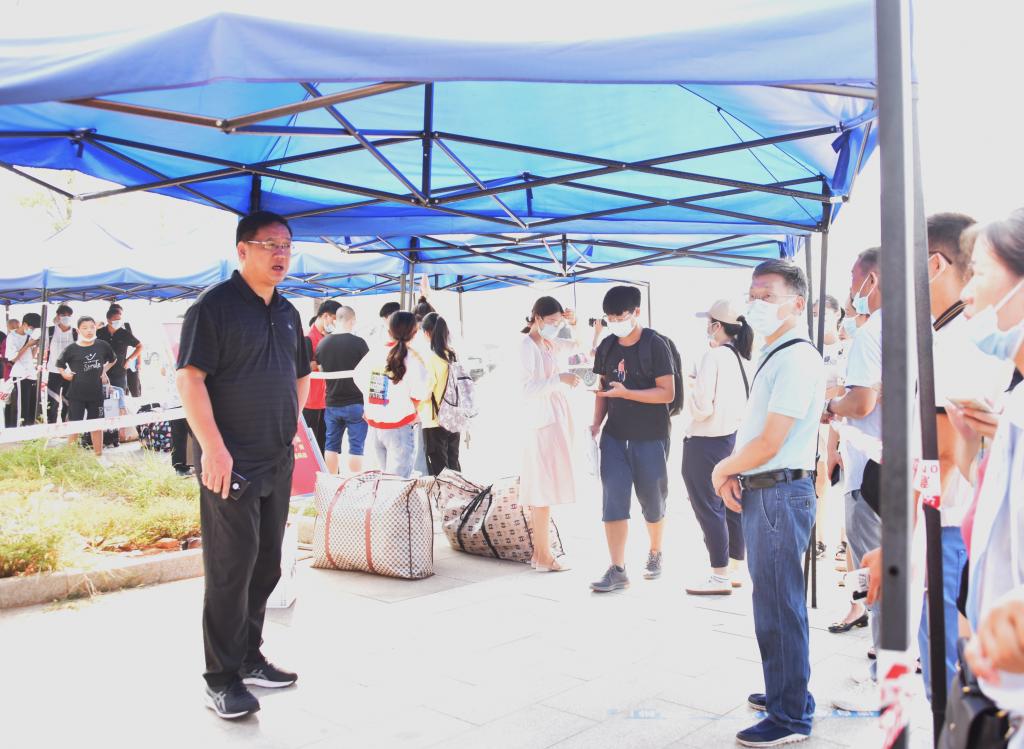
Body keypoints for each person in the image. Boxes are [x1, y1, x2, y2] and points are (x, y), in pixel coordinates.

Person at [176, 211, 311, 720]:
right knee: (230, 570)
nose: (281, 254)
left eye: (287, 245)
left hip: (276, 457)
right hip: (228, 462)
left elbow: (301, 374)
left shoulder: (289, 311)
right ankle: (221, 678)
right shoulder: (213, 307)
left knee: (266, 564)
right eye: (270, 244)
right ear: (242, 251)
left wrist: (289, 422)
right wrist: (213, 448)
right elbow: (189, 379)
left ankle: (250, 657)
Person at [710, 259, 825, 746]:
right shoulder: (777, 352)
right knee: (776, 602)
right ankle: (787, 692)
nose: (756, 304)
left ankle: (789, 716)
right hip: (769, 489)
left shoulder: (796, 357)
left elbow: (772, 440)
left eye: (767, 295)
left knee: (779, 606)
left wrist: (723, 468)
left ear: (796, 303)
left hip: (779, 492)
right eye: (752, 295)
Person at [919, 212, 1014, 699]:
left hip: (947, 527)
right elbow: (961, 453)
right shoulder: (953, 338)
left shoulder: (957, 342)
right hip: (961, 527)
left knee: (951, 680)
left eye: (981, 273)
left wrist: (912, 535)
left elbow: (936, 455)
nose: (969, 291)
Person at [822, 248, 884, 713]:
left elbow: (861, 403)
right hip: (898, 468)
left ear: (872, 281)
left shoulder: (872, 333)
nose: (850, 290)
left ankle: (883, 676)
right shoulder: (917, 326)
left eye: (853, 280)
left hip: (871, 469)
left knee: (877, 573)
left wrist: (832, 405)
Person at [589, 285, 675, 593]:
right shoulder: (607, 345)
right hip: (614, 437)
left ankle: (655, 551)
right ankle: (617, 568)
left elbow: (667, 393)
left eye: (620, 316)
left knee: (653, 500)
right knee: (613, 501)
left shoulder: (655, 344)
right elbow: (602, 388)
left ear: (636, 312)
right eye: (609, 317)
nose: (614, 322)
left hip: (650, 436)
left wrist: (628, 394)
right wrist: (596, 423)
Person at [682, 299, 752, 595]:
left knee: (708, 507)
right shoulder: (744, 358)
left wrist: (690, 387)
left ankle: (719, 575)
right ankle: (734, 568)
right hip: (733, 441)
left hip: (705, 442)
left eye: (709, 322)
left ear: (718, 326)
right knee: (731, 504)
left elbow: (702, 409)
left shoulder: (713, 357)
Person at [519, 297, 580, 572]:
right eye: (552, 322)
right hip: (539, 424)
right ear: (537, 318)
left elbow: (578, 345)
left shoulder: (547, 343)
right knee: (541, 488)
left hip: (549, 420)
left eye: (558, 322)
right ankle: (543, 555)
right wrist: (559, 380)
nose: (556, 326)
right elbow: (525, 389)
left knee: (544, 488)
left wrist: (573, 324)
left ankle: (541, 553)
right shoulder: (526, 346)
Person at [354, 310, 429, 478]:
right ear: (414, 333)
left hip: (374, 426)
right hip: (400, 427)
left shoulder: (375, 352)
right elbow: (422, 391)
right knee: (397, 484)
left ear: (389, 330)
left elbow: (358, 377)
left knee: (381, 481)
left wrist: (372, 402)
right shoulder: (413, 358)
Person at [316, 305, 369, 474]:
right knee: (356, 447)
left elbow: (322, 371)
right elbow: (368, 372)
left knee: (330, 445)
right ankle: (355, 482)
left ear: (336, 320)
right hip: (356, 403)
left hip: (332, 402)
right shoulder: (359, 343)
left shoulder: (322, 344)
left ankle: (332, 482)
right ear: (352, 321)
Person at [57, 316, 116, 457]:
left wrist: (103, 371)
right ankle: (70, 457)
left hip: (96, 394)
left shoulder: (102, 345)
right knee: (75, 425)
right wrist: (65, 374)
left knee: (97, 425)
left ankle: (98, 455)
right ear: (78, 330)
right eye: (85, 328)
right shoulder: (71, 349)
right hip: (76, 394)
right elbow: (59, 364)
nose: (89, 331)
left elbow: (113, 360)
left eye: (92, 327)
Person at [420, 311, 462, 476]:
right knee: (454, 464)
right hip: (454, 418)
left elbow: (425, 392)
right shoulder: (453, 355)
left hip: (435, 420)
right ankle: (460, 492)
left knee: (439, 472)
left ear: (427, 333)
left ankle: (445, 494)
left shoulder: (430, 359)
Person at [304, 299, 342, 453]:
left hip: (326, 399)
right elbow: (302, 367)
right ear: (325, 316)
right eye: (334, 319)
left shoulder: (327, 337)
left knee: (325, 443)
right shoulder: (308, 338)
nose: (335, 323)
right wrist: (316, 365)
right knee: (311, 443)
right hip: (310, 400)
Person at [6, 312, 42, 427]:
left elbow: (31, 356)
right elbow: (12, 358)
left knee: (32, 405)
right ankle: (19, 429)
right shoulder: (12, 337)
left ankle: (29, 428)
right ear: (25, 324)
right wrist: (27, 345)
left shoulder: (30, 336)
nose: (33, 330)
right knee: (22, 406)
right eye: (32, 327)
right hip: (20, 375)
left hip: (31, 374)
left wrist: (36, 346)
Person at [96, 303, 142, 393]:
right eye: (116, 320)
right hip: (102, 372)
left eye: (120, 320)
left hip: (119, 372)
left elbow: (140, 346)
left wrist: (129, 360)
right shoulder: (99, 332)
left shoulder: (124, 333)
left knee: (120, 397)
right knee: (103, 398)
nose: (118, 322)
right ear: (108, 320)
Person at [45, 304, 76, 424]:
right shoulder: (50, 331)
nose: (66, 317)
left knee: (69, 400)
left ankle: (67, 424)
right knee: (52, 401)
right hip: (54, 371)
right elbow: (43, 349)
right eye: (63, 315)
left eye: (69, 315)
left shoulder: (75, 332)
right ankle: (51, 425)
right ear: (58, 316)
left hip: (70, 372)